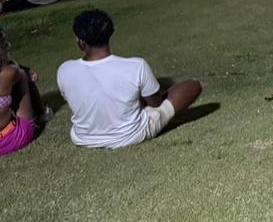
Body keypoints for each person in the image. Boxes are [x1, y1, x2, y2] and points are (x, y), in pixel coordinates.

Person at [56, 9, 203, 149]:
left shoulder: (65, 70)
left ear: (82, 43)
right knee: (193, 85)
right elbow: (156, 103)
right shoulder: (136, 66)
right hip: (130, 135)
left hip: (84, 137)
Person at [0, 28, 48, 157]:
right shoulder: (7, 73)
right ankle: (42, 113)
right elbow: (16, 68)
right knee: (23, 74)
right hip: (12, 139)